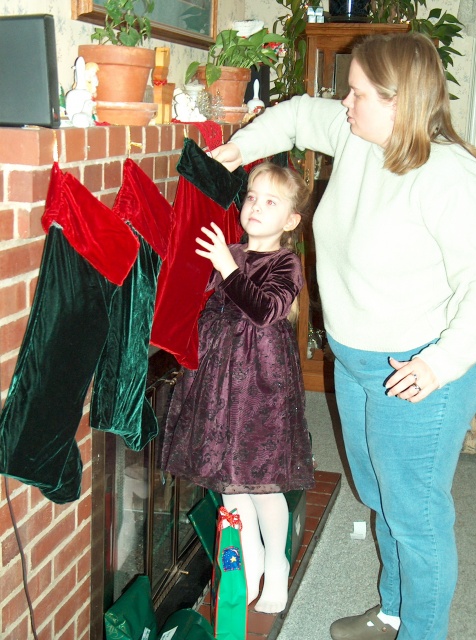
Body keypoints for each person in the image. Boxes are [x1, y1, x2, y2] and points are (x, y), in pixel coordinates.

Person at [211, 32, 476, 640]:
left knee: (416, 514)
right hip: (357, 362)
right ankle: (393, 611)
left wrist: (442, 363)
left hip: (419, 371)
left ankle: (422, 632)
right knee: (381, 496)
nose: (345, 102)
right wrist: (239, 148)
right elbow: (300, 114)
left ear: (397, 100)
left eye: (357, 92)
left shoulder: (450, 176)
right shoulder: (357, 136)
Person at [161, 162, 315, 614]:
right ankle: (243, 573)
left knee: (264, 485)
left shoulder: (286, 263)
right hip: (219, 389)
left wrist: (227, 268)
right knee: (231, 487)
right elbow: (198, 300)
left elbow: (265, 312)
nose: (255, 207)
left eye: (271, 202)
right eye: (251, 197)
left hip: (262, 395)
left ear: (290, 221)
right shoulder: (226, 250)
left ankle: (277, 565)